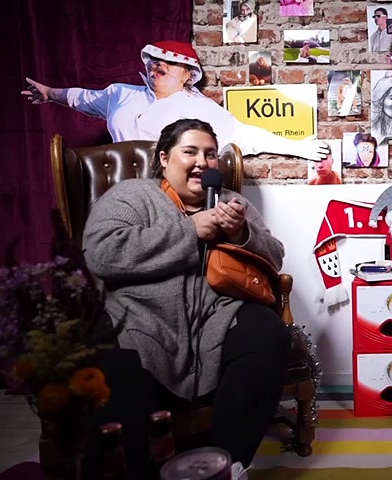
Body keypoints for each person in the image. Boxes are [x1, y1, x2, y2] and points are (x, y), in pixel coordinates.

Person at [81, 118, 290, 480]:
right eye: (190, 152)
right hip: (143, 318)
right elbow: (102, 253)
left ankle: (229, 464)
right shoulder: (131, 195)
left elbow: (275, 257)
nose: (202, 162)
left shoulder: (233, 202)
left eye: (210, 154)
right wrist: (189, 230)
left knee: (268, 334)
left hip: (218, 316)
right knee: (119, 367)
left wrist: (241, 233)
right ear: (164, 158)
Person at [22, 41, 328, 162]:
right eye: (154, 62)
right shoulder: (121, 93)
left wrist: (298, 147)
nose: (158, 66)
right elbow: (81, 97)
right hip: (116, 185)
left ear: (187, 75)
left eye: (168, 63)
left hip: (165, 190)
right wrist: (49, 93)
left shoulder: (199, 107)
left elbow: (244, 135)